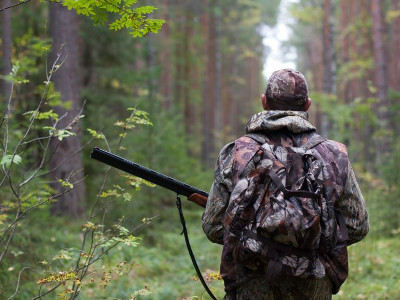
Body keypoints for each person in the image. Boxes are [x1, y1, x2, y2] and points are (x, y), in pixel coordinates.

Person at [202, 69, 369, 300]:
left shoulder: (238, 152)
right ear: (307, 105)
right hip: (314, 284)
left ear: (264, 102)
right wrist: (310, 242)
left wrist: (258, 242)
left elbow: (213, 226)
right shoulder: (333, 154)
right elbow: (357, 225)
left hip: (250, 282)